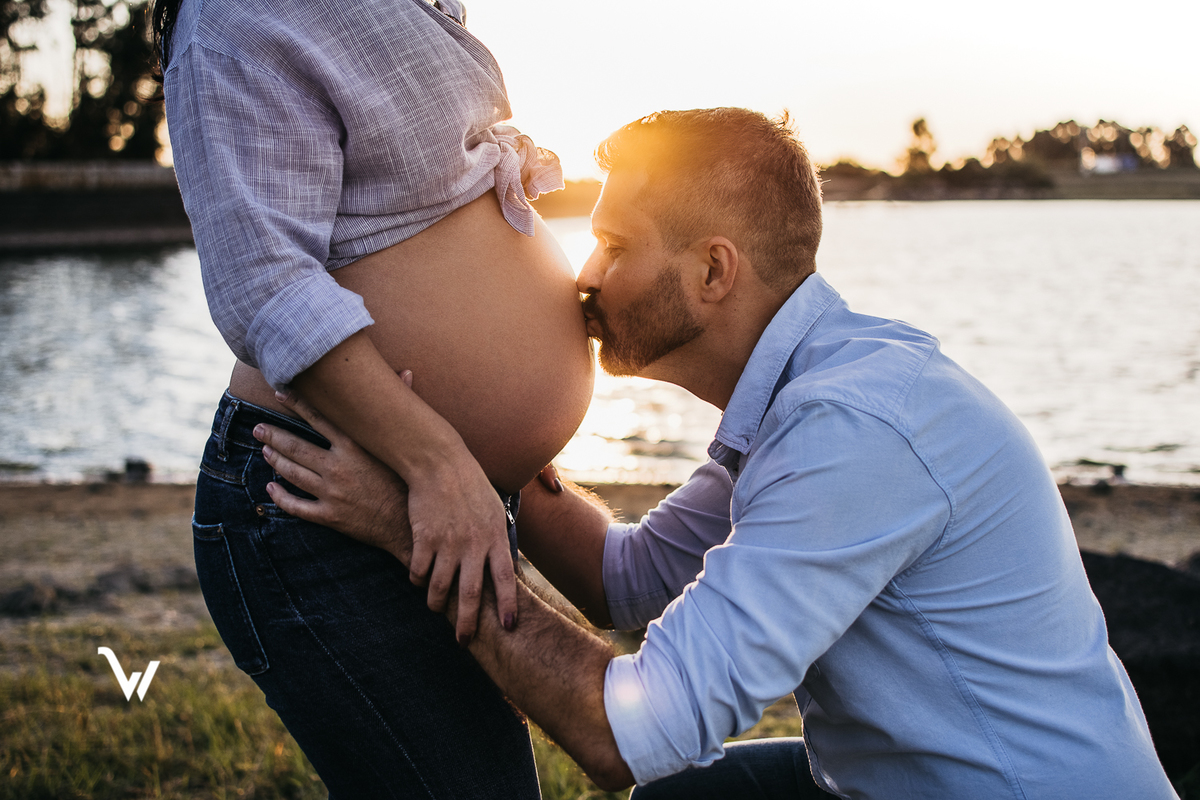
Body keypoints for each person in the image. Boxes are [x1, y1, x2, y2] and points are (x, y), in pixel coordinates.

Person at [255, 107, 1179, 799]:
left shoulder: (851, 433)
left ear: (712, 271)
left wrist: (418, 526)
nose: (585, 274)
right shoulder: (798, 398)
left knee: (661, 771)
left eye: (613, 245)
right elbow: (626, 578)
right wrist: (453, 455)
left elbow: (624, 737)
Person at [152, 0, 594, 795]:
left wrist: (504, 443)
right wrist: (440, 462)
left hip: (435, 482)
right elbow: (262, 284)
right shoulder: (231, 17)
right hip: (322, 497)